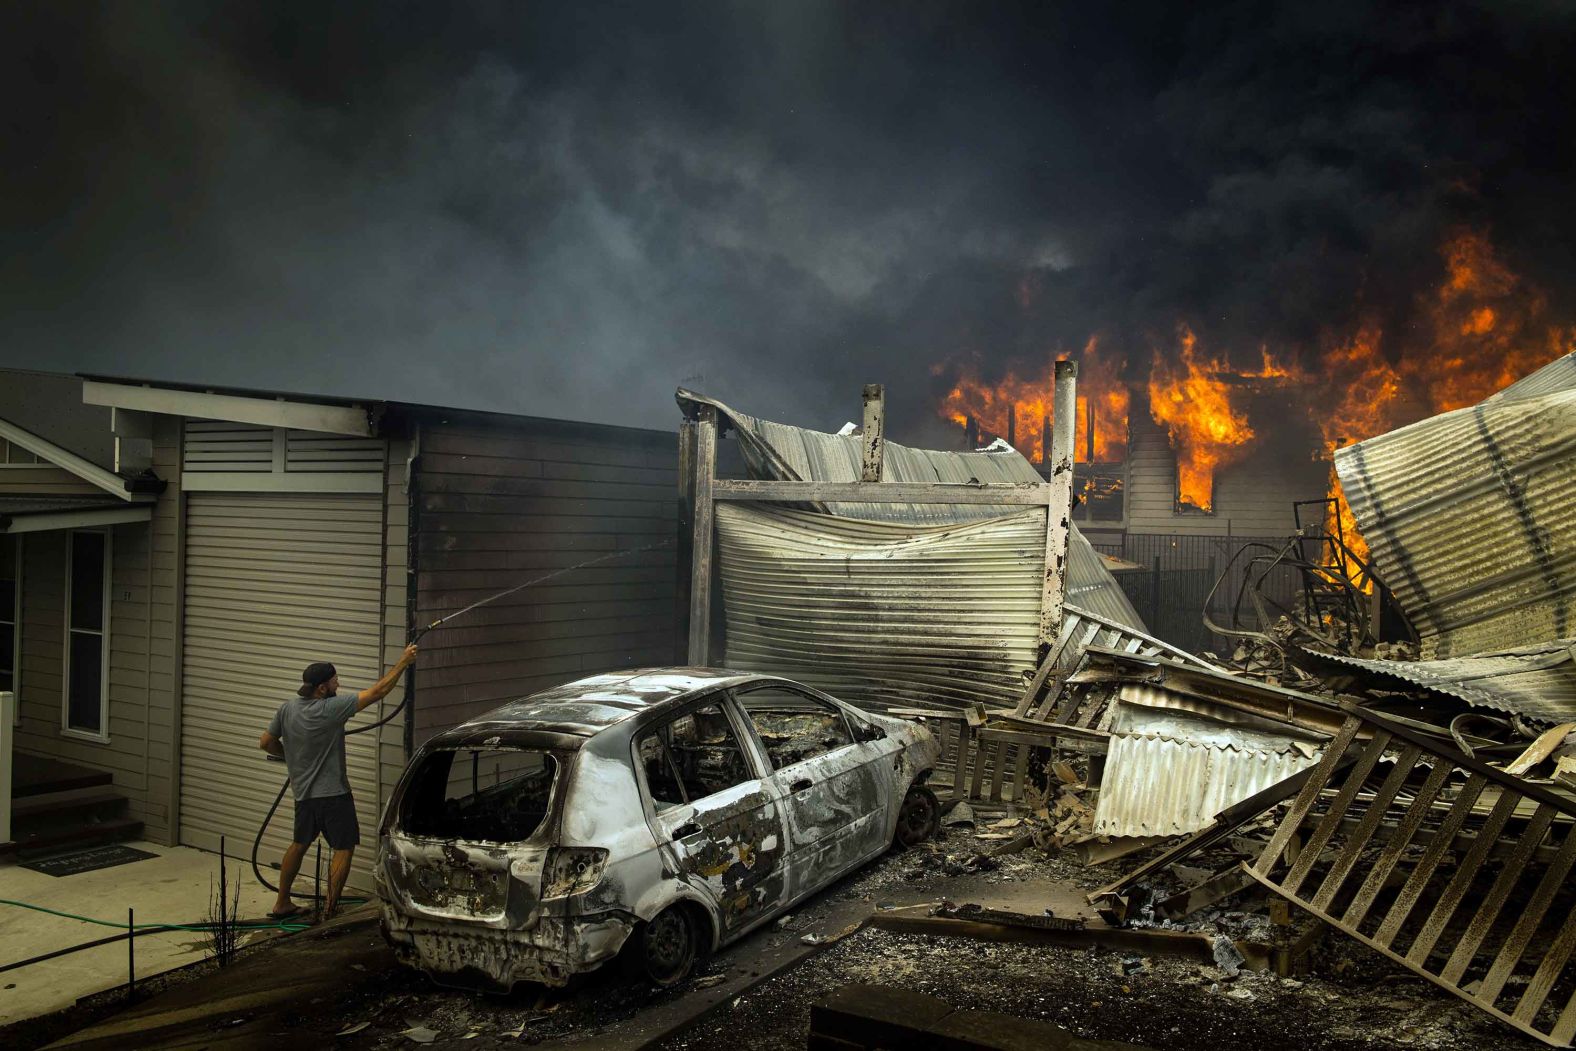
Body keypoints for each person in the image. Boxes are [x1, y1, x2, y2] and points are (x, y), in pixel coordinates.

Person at [259, 643, 418, 920]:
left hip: (303, 795)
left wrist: (292, 757)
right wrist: (403, 662)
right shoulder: (332, 708)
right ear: (322, 688)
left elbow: (266, 742)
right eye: (335, 681)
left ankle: (282, 903)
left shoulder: (287, 709)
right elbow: (379, 691)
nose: (338, 684)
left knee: (299, 844)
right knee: (343, 848)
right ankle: (330, 910)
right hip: (334, 795)